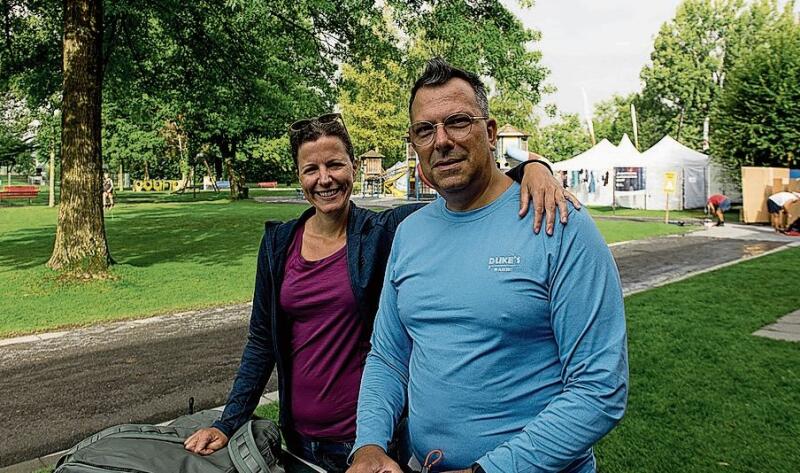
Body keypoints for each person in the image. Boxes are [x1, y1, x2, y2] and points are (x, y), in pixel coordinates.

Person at [182, 112, 580, 472]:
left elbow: (465, 186)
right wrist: (228, 421)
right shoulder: (279, 244)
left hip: (370, 442)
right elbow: (260, 342)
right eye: (311, 169)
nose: (325, 178)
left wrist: (532, 169)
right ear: (299, 175)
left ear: (353, 167)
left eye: (335, 164)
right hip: (299, 439)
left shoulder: (385, 231)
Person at [348, 58, 628, 473]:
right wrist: (369, 445)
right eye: (425, 130)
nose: (441, 141)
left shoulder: (558, 222)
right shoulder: (410, 233)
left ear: (491, 133)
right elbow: (389, 355)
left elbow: (599, 388)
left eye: (458, 122)